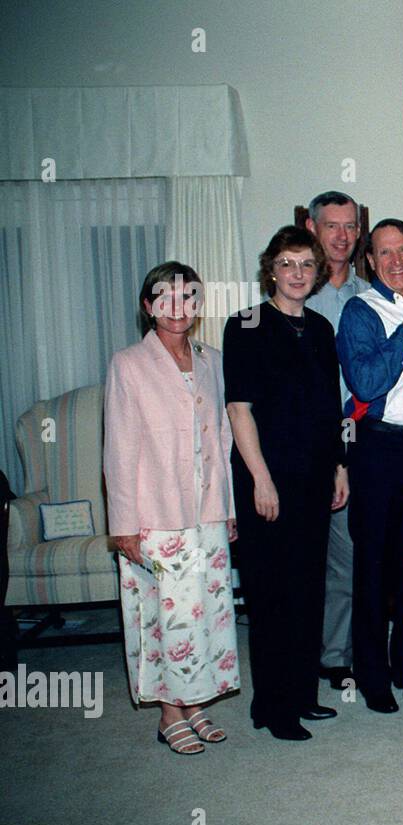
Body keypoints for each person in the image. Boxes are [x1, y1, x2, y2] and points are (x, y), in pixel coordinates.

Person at [105, 262, 240, 755]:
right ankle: (169, 713)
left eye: (188, 298)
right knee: (167, 616)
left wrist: (227, 507)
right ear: (148, 306)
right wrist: (123, 526)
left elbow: (223, 436)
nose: (177, 307)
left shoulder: (212, 358)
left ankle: (195, 700)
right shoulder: (128, 364)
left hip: (205, 510)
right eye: (166, 297)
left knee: (206, 611)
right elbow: (118, 449)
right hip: (154, 514)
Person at [224, 227, 349, 741]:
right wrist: (261, 479)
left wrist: (340, 466)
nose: (297, 274)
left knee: (308, 588)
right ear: (270, 269)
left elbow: (331, 408)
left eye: (305, 264)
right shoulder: (246, 323)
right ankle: (272, 707)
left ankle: (301, 695)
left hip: (316, 477)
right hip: (267, 480)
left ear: (317, 271)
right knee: (271, 592)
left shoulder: (320, 328)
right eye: (287, 264)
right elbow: (239, 408)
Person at [337, 218, 403, 713]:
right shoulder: (361, 310)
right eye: (385, 253)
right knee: (374, 567)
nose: (396, 261)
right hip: (377, 447)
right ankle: (372, 676)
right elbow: (365, 383)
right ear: (371, 260)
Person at [305, 191, 367, 691]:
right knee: (336, 561)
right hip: (324, 447)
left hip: (376, 443)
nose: (342, 236)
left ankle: (366, 650)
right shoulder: (296, 299)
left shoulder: (372, 296)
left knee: (372, 554)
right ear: (312, 228)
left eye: (349, 226)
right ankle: (333, 656)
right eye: (332, 226)